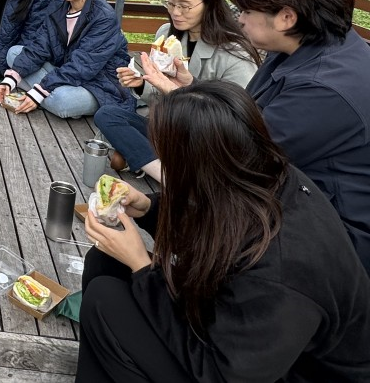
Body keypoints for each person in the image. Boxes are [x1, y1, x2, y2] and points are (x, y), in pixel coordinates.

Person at [78, 82, 370, 382]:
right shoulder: (262, 173)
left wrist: (142, 265)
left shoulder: (284, 270)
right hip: (237, 326)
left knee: (105, 300)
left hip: (282, 372)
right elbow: (216, 219)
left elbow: (223, 373)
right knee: (106, 263)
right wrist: (149, 209)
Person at [229, 0, 370, 274]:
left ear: (287, 17)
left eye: (246, 10)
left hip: (335, 237)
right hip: (297, 198)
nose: (240, 19)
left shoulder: (324, 89)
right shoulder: (309, 44)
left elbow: (243, 157)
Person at [93, 0, 260, 182]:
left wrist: (186, 87)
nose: (175, 12)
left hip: (204, 142)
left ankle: (145, 159)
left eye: (184, 6)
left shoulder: (234, 53)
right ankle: (164, 174)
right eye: (170, 3)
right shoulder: (166, 34)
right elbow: (157, 96)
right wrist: (142, 83)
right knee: (108, 114)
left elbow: (234, 122)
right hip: (168, 130)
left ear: (209, 3)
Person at [0, 0, 133, 118]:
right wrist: (10, 80)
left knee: (64, 102)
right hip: (65, 69)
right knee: (14, 53)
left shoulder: (103, 17)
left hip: (99, 82)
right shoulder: (57, 6)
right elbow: (40, 45)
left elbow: (83, 66)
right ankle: (45, 91)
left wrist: (38, 92)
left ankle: (42, 92)